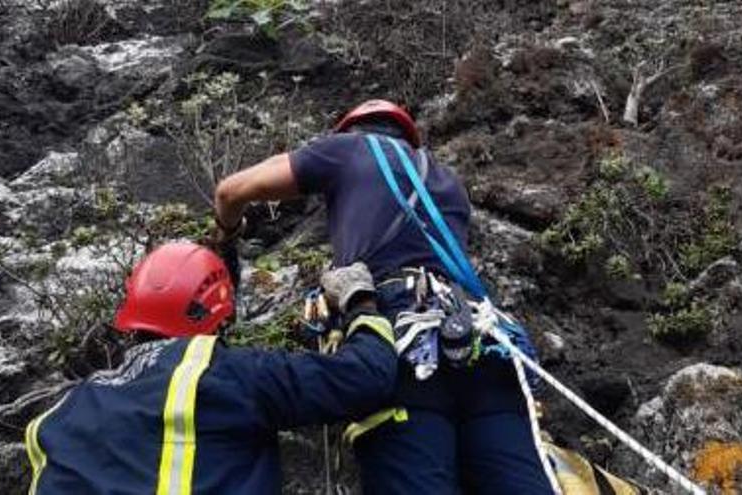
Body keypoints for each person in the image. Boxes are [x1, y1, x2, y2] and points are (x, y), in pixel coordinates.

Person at [213, 99, 558, 494]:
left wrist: (226, 234)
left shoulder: (345, 151)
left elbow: (231, 190)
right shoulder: (449, 181)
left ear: (349, 131)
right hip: (481, 343)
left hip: (401, 343)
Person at [23, 242, 396, 494]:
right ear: (217, 314)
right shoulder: (225, 374)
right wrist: (359, 301)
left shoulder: (68, 408)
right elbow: (367, 376)